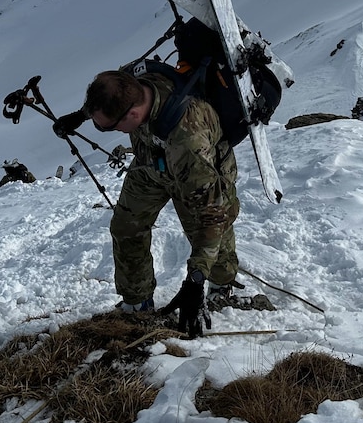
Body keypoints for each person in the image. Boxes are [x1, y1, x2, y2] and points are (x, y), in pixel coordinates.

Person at [55, 66, 239, 337]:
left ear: (132, 114)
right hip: (152, 165)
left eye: (109, 127)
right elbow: (108, 90)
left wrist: (195, 280)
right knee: (126, 226)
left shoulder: (188, 140)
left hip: (197, 175)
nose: (110, 131)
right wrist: (81, 116)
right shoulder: (131, 80)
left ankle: (221, 285)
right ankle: (137, 303)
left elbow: (211, 215)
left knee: (209, 236)